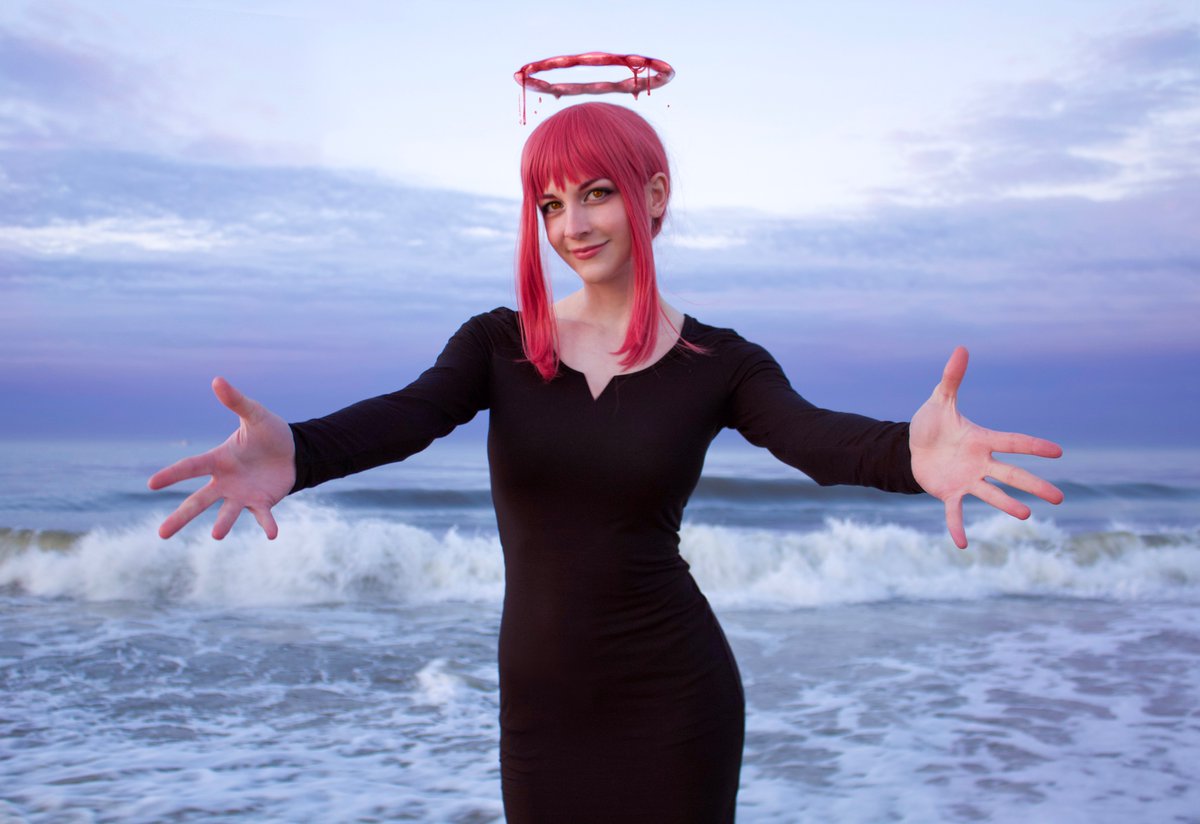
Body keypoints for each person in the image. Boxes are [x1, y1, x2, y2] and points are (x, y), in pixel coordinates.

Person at [149, 102, 1063, 823]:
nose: (572, 225)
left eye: (595, 193)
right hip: (542, 703)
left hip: (675, 695)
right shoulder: (498, 344)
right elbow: (407, 417)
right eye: (550, 204)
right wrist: (300, 452)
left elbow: (815, 438)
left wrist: (910, 454)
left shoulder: (722, 363)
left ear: (653, 194)